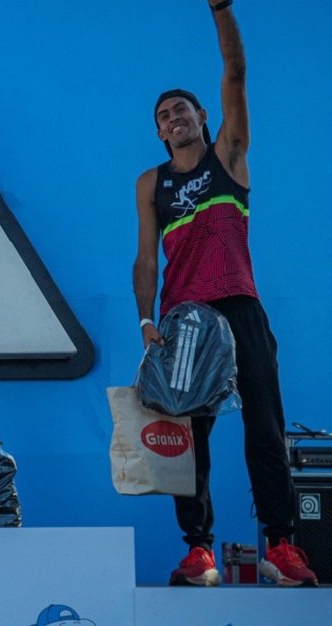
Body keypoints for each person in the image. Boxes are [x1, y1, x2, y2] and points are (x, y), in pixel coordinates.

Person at [132, 0, 317, 587]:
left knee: (264, 425)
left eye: (181, 109)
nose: (173, 118)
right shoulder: (151, 183)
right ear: (159, 131)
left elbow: (236, 73)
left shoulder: (228, 157)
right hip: (183, 320)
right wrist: (146, 322)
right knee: (190, 438)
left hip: (239, 305)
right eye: (164, 115)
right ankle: (200, 552)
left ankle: (281, 547)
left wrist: (221, 10)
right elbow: (146, 258)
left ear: (202, 115)